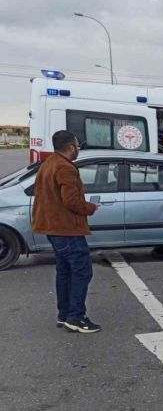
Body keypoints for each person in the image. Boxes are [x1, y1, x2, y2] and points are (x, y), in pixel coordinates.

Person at [32, 130, 101, 333]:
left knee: (65, 271)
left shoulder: (49, 163)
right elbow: (71, 201)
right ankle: (76, 317)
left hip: (52, 226)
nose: (79, 149)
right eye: (78, 145)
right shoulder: (65, 168)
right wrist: (90, 208)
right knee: (82, 271)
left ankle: (64, 315)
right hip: (66, 228)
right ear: (71, 147)